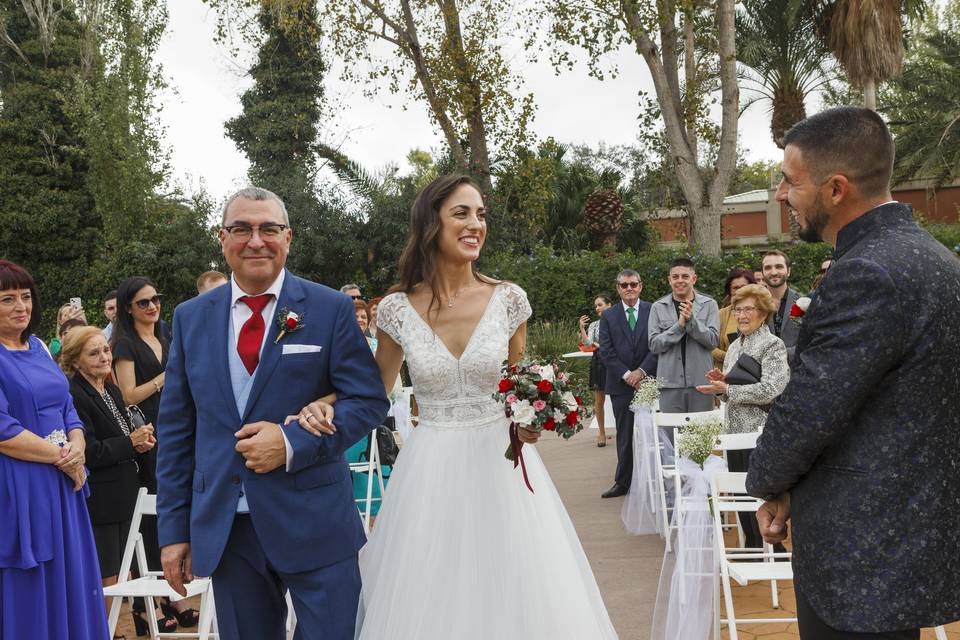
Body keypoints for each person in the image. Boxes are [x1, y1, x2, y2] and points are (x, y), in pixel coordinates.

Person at [296, 175, 619, 639]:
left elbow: (519, 386)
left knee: (516, 585)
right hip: (431, 469)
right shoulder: (396, 308)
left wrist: (530, 422)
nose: (475, 225)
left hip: (502, 467)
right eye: (461, 213)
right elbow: (371, 389)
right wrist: (319, 405)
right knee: (433, 588)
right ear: (432, 224)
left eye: (480, 214)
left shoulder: (508, 299)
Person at [746, 106, 960, 638]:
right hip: (905, 535)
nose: (779, 195)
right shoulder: (938, 259)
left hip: (858, 549)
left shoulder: (866, 270)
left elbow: (813, 408)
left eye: (790, 181)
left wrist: (769, 483)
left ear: (836, 189)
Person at [156, 187, 389, 640]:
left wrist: (290, 443)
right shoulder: (190, 318)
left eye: (269, 228)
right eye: (242, 228)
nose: (256, 240)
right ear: (222, 239)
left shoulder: (330, 309)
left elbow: (367, 400)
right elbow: (177, 430)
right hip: (229, 529)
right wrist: (173, 530)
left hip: (316, 520)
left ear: (289, 238)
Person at [0, 260, 109, 640]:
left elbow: (67, 408)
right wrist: (64, 457)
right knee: (31, 586)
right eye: (7, 299)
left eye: (25, 297)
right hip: (21, 485)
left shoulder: (40, 348)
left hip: (65, 484)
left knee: (71, 576)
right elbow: (3, 430)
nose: (20, 307)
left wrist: (77, 446)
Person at [61, 327, 169, 634]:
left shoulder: (111, 389)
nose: (104, 357)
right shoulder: (75, 393)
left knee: (124, 571)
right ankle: (103, 630)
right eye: (93, 353)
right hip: (102, 499)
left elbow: (123, 437)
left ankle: (116, 627)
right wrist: (130, 443)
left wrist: (140, 442)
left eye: (105, 350)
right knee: (106, 574)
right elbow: (89, 451)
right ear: (75, 361)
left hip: (126, 493)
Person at [111, 277, 195, 629]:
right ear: (129, 308)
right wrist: (166, 376)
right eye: (144, 302)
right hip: (146, 436)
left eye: (156, 299)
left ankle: (172, 595)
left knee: (173, 509)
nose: (152, 306)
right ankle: (148, 606)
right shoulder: (125, 344)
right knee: (151, 514)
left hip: (175, 430)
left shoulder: (165, 337)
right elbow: (128, 395)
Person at [695, 283, 788, 551]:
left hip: (761, 432)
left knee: (760, 493)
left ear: (764, 312)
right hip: (734, 431)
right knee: (739, 492)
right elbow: (732, 390)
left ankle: (773, 548)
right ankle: (752, 545)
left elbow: (773, 389)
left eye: (749, 309)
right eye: (738, 310)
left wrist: (728, 388)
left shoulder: (773, 345)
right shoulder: (735, 346)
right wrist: (721, 384)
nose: (743, 315)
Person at [597, 273, 658, 499]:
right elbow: (606, 350)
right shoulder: (608, 316)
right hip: (620, 385)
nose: (629, 288)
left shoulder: (654, 310)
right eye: (625, 285)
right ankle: (623, 482)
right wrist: (626, 375)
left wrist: (641, 372)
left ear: (641, 286)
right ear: (618, 288)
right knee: (625, 435)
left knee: (654, 433)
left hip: (649, 381)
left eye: (633, 284)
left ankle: (656, 479)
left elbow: (658, 345)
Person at [648, 257, 719, 414]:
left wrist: (692, 322)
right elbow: (654, 345)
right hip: (669, 384)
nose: (680, 281)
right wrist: (679, 326)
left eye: (685, 276)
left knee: (701, 434)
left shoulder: (709, 305)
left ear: (694, 279)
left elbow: (713, 341)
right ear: (669, 280)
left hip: (702, 382)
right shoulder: (658, 307)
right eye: (675, 277)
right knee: (670, 435)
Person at [578, 292, 613, 447]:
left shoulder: (619, 321)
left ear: (609, 305)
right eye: (596, 306)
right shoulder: (594, 325)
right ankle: (602, 432)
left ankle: (627, 430)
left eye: (600, 305)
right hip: (599, 362)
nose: (598, 308)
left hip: (615, 362)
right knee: (599, 400)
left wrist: (599, 345)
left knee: (622, 398)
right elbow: (588, 345)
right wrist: (582, 328)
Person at [760, 250, 801, 361]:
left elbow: (811, 340)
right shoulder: (754, 304)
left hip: (796, 371)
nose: (773, 272)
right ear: (762, 273)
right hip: (762, 373)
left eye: (779, 266)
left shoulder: (803, 303)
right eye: (768, 268)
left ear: (788, 271)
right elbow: (744, 340)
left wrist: (780, 355)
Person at [713, 268, 756, 369]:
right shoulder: (721, 314)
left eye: (743, 287)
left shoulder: (760, 312)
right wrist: (732, 357)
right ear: (730, 290)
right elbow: (711, 347)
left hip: (754, 374)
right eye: (735, 287)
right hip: (725, 373)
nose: (740, 291)